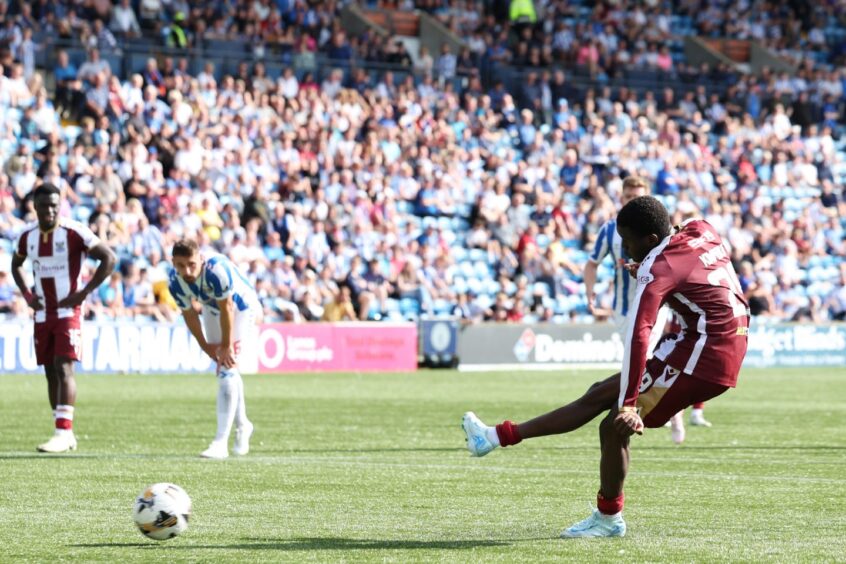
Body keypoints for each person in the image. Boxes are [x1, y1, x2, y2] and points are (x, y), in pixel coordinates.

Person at [462, 196, 749, 537]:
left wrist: (630, 405)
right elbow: (697, 271)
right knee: (599, 392)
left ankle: (609, 518)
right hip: (718, 340)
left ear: (651, 241)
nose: (626, 251)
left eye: (629, 243)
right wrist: (650, 267)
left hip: (705, 353)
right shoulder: (701, 228)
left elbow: (638, 336)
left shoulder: (660, 267)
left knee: (614, 424)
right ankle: (495, 436)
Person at [583, 176, 707, 443]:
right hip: (622, 311)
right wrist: (590, 294)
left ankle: (647, 412)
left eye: (637, 196)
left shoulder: (657, 229)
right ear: (621, 197)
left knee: (645, 361)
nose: (632, 200)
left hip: (654, 306)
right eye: (628, 196)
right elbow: (592, 263)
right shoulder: (609, 230)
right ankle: (658, 410)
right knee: (639, 365)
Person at [11, 183, 116, 453]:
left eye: (55, 206)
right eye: (44, 205)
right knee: (49, 371)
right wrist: (26, 294)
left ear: (61, 206)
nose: (50, 210)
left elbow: (108, 257)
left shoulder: (74, 232)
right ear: (35, 207)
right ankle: (63, 432)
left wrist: (84, 293)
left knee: (64, 366)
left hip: (68, 311)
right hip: (43, 312)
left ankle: (62, 432)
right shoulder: (27, 237)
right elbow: (15, 264)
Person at [168, 238, 259, 459]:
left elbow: (227, 306)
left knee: (227, 368)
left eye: (191, 264)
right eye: (180, 265)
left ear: (199, 258)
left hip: (241, 307)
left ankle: (220, 443)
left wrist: (226, 346)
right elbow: (189, 315)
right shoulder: (175, 282)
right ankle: (243, 424)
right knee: (227, 369)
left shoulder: (216, 270)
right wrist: (206, 347)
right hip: (212, 308)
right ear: (173, 263)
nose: (187, 270)